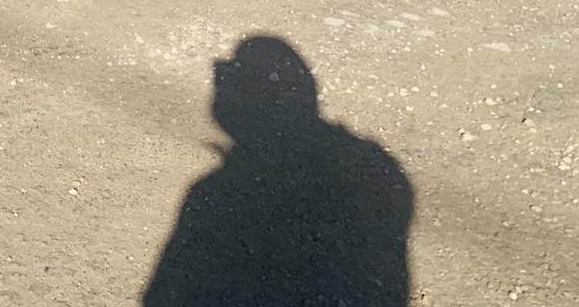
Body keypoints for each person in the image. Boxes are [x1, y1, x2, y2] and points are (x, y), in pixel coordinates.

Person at [144, 35, 414, 306]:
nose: (218, 82)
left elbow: (164, 297)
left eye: (228, 76)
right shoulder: (372, 176)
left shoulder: (222, 197)